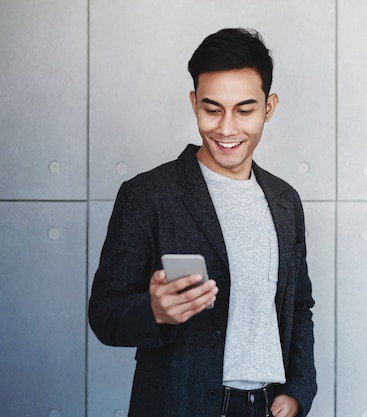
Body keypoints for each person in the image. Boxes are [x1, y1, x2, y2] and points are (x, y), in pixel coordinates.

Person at [89, 28, 316, 417]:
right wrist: (155, 311)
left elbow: (298, 307)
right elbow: (105, 314)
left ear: (269, 107)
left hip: (264, 406)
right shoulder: (148, 195)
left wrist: (297, 390)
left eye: (244, 110)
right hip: (176, 404)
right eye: (212, 109)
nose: (227, 129)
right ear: (194, 103)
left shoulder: (284, 201)